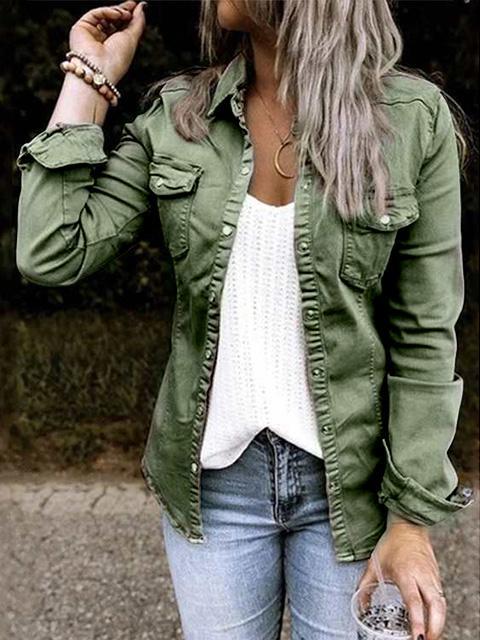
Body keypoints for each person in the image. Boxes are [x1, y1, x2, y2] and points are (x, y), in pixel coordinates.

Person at [15, 1, 475, 639]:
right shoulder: (181, 117)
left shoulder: (410, 120)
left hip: (353, 491)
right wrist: (87, 77)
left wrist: (411, 521)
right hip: (215, 488)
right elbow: (50, 251)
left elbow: (424, 335)